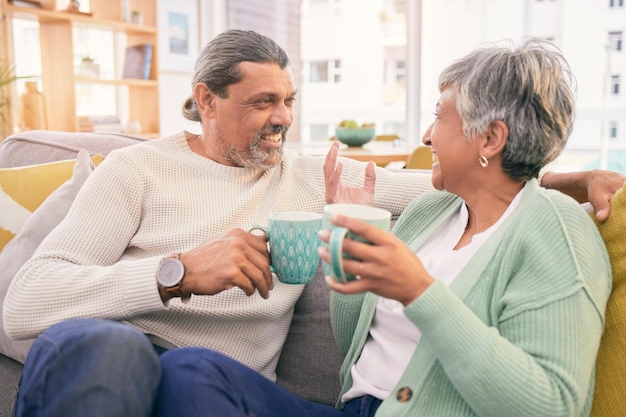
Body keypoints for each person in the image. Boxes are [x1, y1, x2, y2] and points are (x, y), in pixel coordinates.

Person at [2, 30, 621, 416]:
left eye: (289, 101)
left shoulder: (309, 176)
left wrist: (573, 179)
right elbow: (25, 304)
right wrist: (176, 273)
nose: (281, 121)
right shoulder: (135, 171)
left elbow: (484, 183)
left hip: (214, 384)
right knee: (105, 350)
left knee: (188, 376)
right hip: (115, 346)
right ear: (207, 100)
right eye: (262, 103)